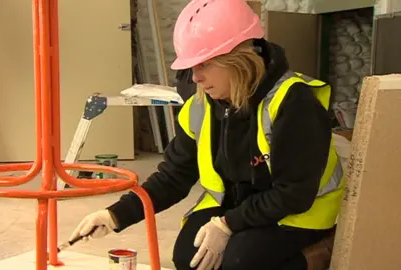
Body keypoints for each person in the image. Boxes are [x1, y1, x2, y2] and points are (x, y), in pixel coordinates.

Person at [70, 0, 345, 269]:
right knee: (189, 260)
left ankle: (316, 255)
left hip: (300, 210)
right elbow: (174, 176)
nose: (196, 77)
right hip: (238, 201)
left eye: (205, 64)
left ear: (240, 59)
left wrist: (227, 225)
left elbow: (293, 194)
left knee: (240, 262)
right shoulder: (201, 107)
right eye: (192, 66)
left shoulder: (293, 103)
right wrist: (116, 215)